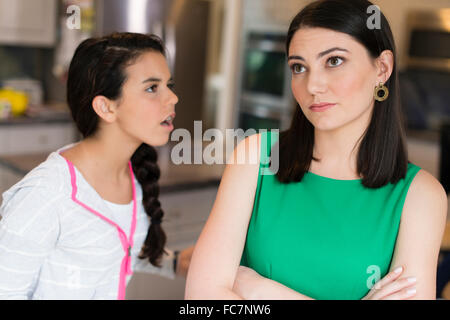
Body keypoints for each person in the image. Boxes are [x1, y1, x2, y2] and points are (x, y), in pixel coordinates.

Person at [185, 0, 448, 300]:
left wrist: (259, 289)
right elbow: (201, 298)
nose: (313, 85)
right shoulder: (256, 156)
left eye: (334, 61)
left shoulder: (420, 195)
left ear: (382, 68)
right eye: (299, 67)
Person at [0, 32, 193, 300]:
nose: (172, 98)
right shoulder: (44, 196)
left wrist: (175, 263)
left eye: (168, 85)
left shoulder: (132, 177)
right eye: (152, 88)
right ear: (105, 107)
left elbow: (110, 251)